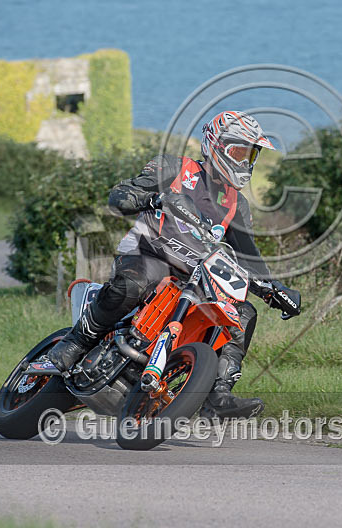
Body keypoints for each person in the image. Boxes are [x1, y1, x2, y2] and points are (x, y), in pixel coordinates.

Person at [48, 110, 301, 419]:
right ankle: (77, 342)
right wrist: (144, 199)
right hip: (149, 255)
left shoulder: (237, 205)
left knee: (243, 313)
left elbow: (251, 260)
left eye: (250, 154)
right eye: (239, 151)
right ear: (217, 146)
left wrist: (277, 289)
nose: (244, 160)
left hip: (194, 277)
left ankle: (217, 395)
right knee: (135, 283)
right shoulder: (175, 168)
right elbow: (121, 195)